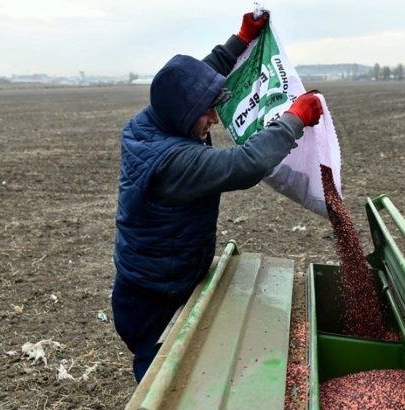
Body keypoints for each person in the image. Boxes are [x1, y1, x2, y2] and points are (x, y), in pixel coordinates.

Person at [111, 11, 323, 382]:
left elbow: (195, 82)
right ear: (184, 113)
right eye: (206, 110)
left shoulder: (156, 118)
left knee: (180, 369)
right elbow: (246, 164)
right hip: (153, 298)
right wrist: (294, 119)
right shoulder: (172, 162)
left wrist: (241, 37)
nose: (214, 117)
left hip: (156, 280)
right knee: (161, 380)